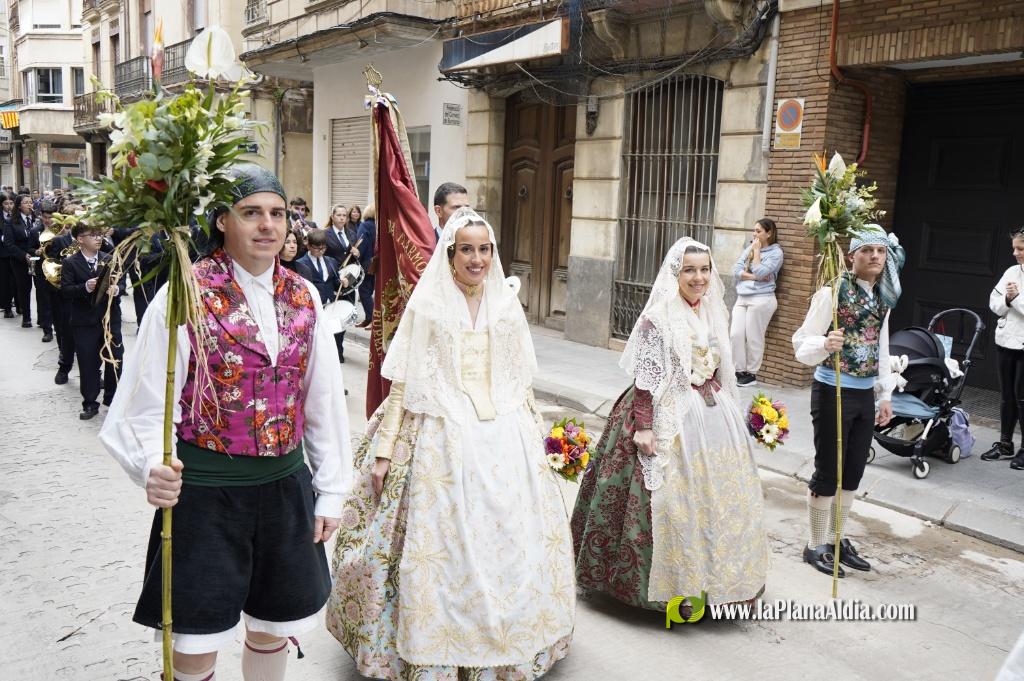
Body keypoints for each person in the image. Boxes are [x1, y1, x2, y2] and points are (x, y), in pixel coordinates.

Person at [98, 164, 352, 681]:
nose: (268, 225)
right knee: (195, 635)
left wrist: (329, 493)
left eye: (277, 214)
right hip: (207, 494)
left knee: (272, 627)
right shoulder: (185, 293)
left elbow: (322, 402)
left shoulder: (304, 295)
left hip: (284, 488)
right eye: (251, 212)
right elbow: (148, 402)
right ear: (221, 221)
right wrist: (153, 462)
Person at [326, 207, 574, 680]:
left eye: (484, 249)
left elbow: (520, 382)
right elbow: (403, 385)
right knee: (440, 549)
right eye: (467, 249)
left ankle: (511, 643)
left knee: (510, 541)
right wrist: (383, 454)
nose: (476, 259)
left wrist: (540, 442)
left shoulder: (505, 303)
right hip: (439, 435)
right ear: (451, 254)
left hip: (504, 438)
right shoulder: (429, 305)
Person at [571, 237, 769, 610]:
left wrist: (732, 409)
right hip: (668, 412)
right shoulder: (657, 317)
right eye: (689, 270)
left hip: (710, 411)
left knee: (718, 497)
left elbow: (722, 366)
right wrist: (643, 426)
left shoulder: (713, 310)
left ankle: (719, 578)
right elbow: (646, 380)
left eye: (705, 270)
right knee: (665, 501)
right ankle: (661, 584)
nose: (698, 278)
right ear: (675, 274)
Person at [792, 225, 903, 577]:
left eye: (880, 251)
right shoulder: (832, 291)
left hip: (864, 393)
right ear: (851, 255)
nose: (874, 257)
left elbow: (881, 347)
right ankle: (815, 544)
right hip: (832, 390)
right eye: (867, 250)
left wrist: (885, 394)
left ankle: (837, 539)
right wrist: (825, 344)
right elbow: (801, 342)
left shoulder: (883, 296)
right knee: (829, 471)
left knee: (853, 471)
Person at [61, 223, 126, 419]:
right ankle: (90, 403)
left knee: (115, 359)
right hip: (84, 321)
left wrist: (117, 289)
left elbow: (121, 281)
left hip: (109, 319)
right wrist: (85, 287)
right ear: (80, 239)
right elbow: (65, 291)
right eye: (93, 235)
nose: (98, 238)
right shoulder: (70, 262)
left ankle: (112, 398)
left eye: (100, 235)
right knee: (88, 362)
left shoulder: (108, 258)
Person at [982, 227, 1024, 469]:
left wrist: (1015, 298)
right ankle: (1005, 444)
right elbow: (994, 303)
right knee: (1007, 397)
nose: (1015, 253)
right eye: (1014, 248)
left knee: (1022, 399)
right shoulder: (1011, 272)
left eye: (1020, 249)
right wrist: (1007, 299)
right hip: (1005, 342)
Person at [730, 217, 783, 386]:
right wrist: (754, 276)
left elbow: (761, 271)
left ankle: (751, 374)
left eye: (758, 231)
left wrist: (757, 253)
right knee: (736, 334)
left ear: (769, 233)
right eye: (754, 230)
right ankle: (739, 370)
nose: (754, 234)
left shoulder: (776, 253)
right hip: (742, 296)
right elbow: (736, 269)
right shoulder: (749, 248)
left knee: (754, 337)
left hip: (762, 299)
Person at [295, 228, 351, 367]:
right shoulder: (301, 263)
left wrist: (342, 282)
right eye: (317, 248)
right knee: (317, 339)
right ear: (308, 246)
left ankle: (337, 357)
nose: (321, 251)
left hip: (331, 304)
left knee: (337, 333)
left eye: (324, 247)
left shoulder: (331, 261)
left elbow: (335, 281)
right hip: (314, 307)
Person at [5, 194, 35, 328]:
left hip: (37, 258)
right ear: (19, 206)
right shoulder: (11, 221)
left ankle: (43, 319)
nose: (29, 205)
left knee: (41, 290)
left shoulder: (37, 220)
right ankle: (26, 317)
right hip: (20, 260)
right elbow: (9, 243)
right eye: (26, 203)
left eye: (31, 202)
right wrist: (24, 255)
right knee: (24, 288)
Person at [28, 202, 56, 342]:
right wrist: (35, 251)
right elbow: (30, 248)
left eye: (50, 217)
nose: (47, 220)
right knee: (44, 301)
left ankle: (59, 327)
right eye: (45, 217)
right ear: (41, 216)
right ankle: (47, 330)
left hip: (57, 270)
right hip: (41, 270)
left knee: (57, 301)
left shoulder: (60, 230)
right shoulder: (35, 231)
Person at [355, 204, 376, 327]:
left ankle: (372, 318)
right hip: (375, 263)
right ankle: (369, 318)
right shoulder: (378, 226)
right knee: (369, 290)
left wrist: (357, 258)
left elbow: (361, 243)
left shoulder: (365, 225)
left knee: (364, 292)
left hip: (366, 262)